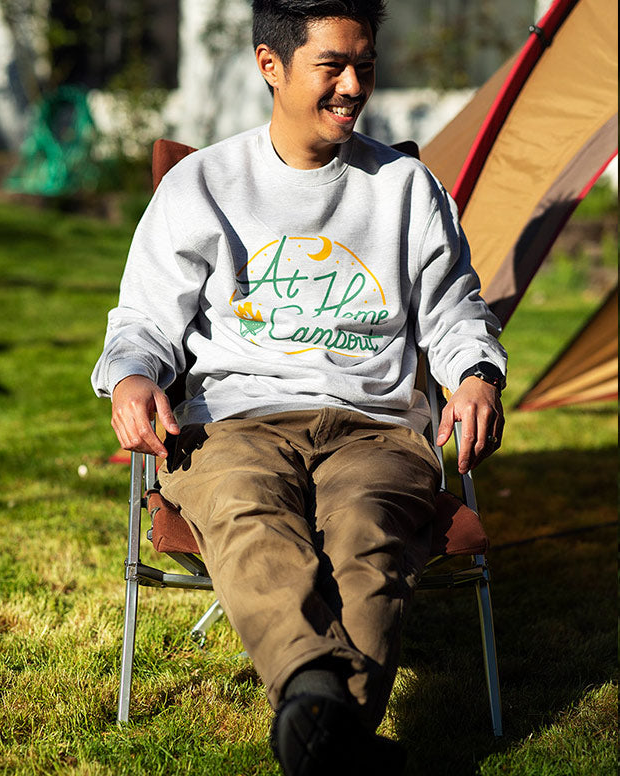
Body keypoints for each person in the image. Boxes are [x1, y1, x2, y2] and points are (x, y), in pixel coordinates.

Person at [92, 2, 507, 773]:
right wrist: (131, 376)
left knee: (364, 531)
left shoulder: (407, 188)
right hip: (231, 422)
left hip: (373, 425)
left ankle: (312, 720)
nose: (353, 86)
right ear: (269, 65)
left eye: (366, 66)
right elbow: (143, 319)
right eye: (331, 67)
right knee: (249, 513)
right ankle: (329, 715)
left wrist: (476, 376)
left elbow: (454, 311)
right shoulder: (200, 184)